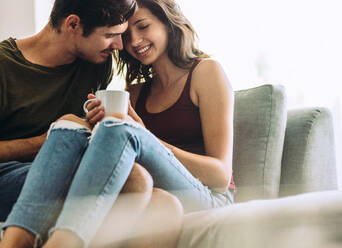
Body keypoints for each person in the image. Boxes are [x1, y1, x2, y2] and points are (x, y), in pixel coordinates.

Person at [1, 0, 235, 247]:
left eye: (143, 27)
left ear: (168, 23)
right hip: (160, 187)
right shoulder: (132, 93)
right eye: (120, 34)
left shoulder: (206, 72)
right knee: (160, 203)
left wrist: (139, 134)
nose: (129, 43)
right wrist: (92, 129)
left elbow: (220, 176)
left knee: (113, 130)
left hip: (207, 192)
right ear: (72, 24)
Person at [0, 0, 140, 247]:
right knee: (129, 181)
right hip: (8, 175)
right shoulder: (5, 65)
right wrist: (46, 141)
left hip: (68, 166)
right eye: (110, 35)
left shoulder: (96, 63)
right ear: (73, 24)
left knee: (143, 182)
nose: (119, 45)